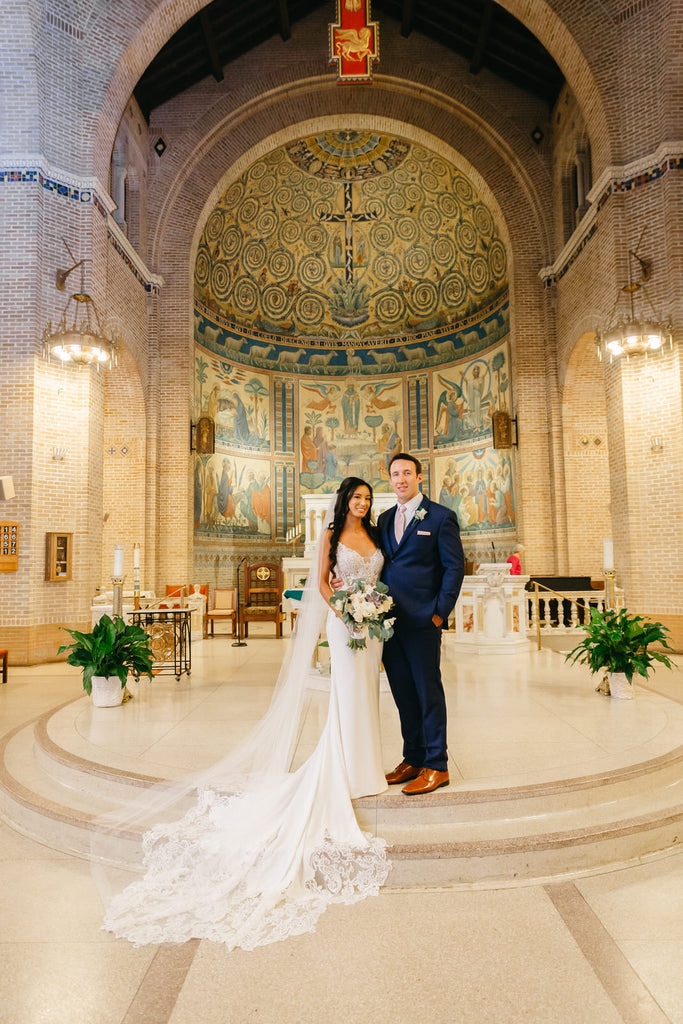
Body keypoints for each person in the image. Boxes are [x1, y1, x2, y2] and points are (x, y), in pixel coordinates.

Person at [95, 477, 389, 951]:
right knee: (346, 695)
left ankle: (367, 767)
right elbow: (319, 582)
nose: (363, 503)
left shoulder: (376, 535)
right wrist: (343, 613)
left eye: (368, 499)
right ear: (344, 500)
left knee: (367, 696)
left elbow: (377, 576)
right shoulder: (330, 535)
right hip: (343, 624)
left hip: (371, 625)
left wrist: (371, 609)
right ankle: (346, 769)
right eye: (357, 497)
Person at [379, 453, 465, 795]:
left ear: (418, 476)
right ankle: (412, 757)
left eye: (407, 473)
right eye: (395, 474)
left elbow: (454, 568)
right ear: (390, 479)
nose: (401, 479)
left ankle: (436, 764)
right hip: (389, 622)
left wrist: (439, 612)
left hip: (423, 621)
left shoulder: (441, 517)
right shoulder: (384, 519)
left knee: (428, 692)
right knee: (403, 694)